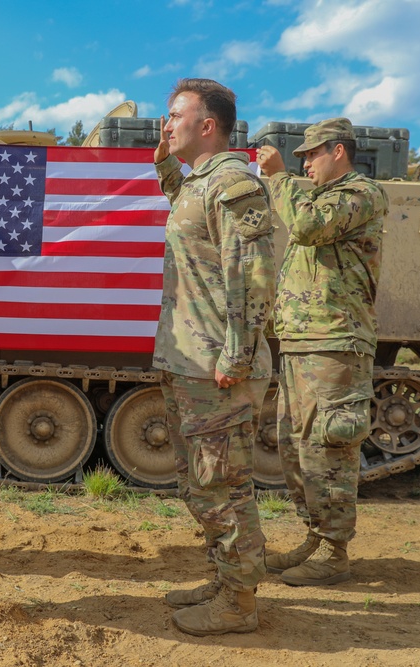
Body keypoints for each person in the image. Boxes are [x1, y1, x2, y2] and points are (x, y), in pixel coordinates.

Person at [153, 78, 276, 636]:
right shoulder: (199, 184)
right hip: (193, 364)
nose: (166, 122)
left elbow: (253, 278)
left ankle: (238, 602)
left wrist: (239, 356)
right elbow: (180, 200)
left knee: (223, 483)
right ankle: (227, 579)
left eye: (175, 115)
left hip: (218, 368)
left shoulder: (233, 185)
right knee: (202, 481)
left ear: (208, 125)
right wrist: (163, 157)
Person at [255, 118, 387, 586]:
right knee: (297, 447)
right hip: (303, 342)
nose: (305, 164)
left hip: (336, 343)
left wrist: (276, 176)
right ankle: (315, 536)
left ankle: (335, 553)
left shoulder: (362, 193)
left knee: (329, 446)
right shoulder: (314, 195)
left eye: (311, 155)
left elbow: (309, 227)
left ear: (337, 151)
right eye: (301, 159)